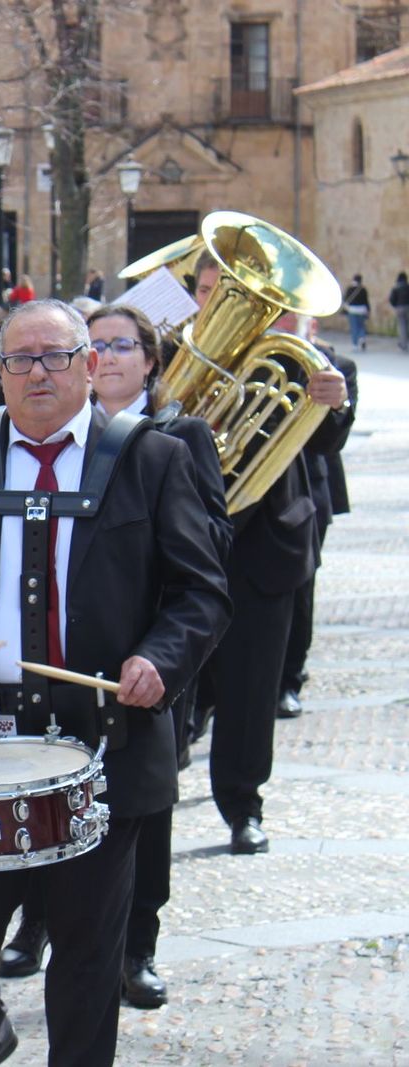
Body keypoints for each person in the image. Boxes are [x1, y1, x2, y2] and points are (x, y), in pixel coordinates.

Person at [0, 298, 230, 1067]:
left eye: (53, 357)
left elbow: (203, 592)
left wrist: (160, 661)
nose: (35, 372)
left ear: (88, 365)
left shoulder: (151, 456)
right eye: (17, 359)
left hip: (103, 740)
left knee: (86, 948)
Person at [0, 304, 234, 1005]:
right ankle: (35, 921)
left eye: (118, 344)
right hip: (40, 679)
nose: (106, 356)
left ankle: (136, 945)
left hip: (138, 671)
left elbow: (207, 556)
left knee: (137, 811)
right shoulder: (14, 444)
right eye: (96, 342)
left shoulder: (170, 439)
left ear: (140, 359)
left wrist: (160, 652)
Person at [192, 252, 350, 855]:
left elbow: (326, 439)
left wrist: (332, 401)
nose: (214, 301)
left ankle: (242, 805)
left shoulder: (289, 360)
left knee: (254, 690)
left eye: (223, 290)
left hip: (263, 547)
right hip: (187, 545)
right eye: (207, 290)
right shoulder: (172, 355)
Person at [277, 317, 357, 720]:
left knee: (300, 590)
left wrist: (339, 402)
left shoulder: (333, 364)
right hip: (247, 500)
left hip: (308, 493)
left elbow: (330, 441)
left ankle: (289, 680)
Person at [342, 273, 371, 350]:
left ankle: (355, 344)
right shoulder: (363, 289)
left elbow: (345, 300)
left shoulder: (349, 289)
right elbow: (366, 301)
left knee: (354, 327)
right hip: (362, 310)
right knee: (361, 326)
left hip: (352, 310)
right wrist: (368, 310)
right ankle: (362, 338)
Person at [389, 271, 409, 353]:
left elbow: (392, 299)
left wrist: (395, 305)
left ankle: (403, 344)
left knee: (402, 326)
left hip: (400, 307)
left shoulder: (396, 287)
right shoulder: (408, 287)